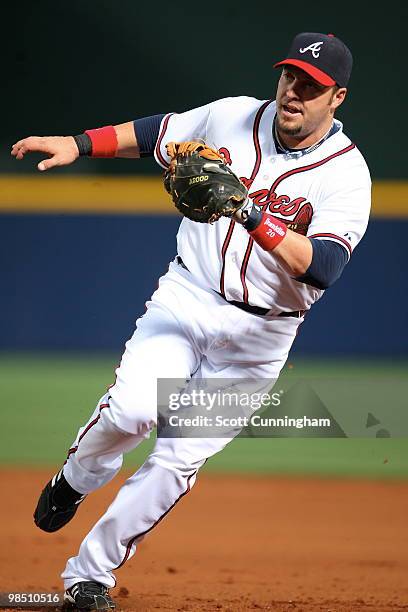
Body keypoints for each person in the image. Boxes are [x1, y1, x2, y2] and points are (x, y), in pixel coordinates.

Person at [11, 32, 371, 611]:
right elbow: (157, 133)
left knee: (178, 459)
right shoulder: (231, 117)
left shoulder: (347, 175)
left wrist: (249, 211)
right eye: (290, 78)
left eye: (313, 86)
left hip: (260, 340)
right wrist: (81, 144)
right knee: (130, 411)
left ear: (338, 98)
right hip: (188, 297)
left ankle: (91, 577)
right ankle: (77, 476)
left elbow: (323, 266)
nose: (295, 93)